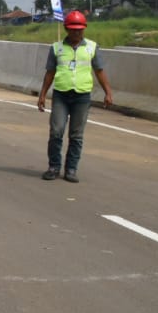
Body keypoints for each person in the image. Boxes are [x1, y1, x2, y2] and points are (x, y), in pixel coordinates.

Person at [37, 10, 112, 183]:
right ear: (66, 29)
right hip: (61, 95)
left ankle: (71, 169)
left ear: (84, 29)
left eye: (80, 29)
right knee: (56, 131)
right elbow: (50, 73)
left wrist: (108, 92)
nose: (76, 32)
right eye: (73, 29)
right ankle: (54, 166)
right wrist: (42, 94)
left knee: (76, 135)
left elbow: (99, 71)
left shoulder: (92, 47)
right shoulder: (57, 48)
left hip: (82, 96)